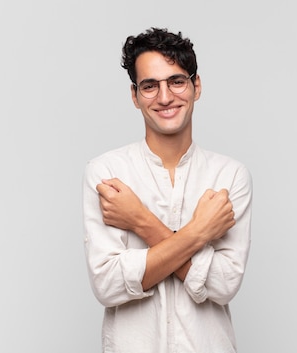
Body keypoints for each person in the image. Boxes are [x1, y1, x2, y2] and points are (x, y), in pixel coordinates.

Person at [82, 27, 253, 353]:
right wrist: (200, 232)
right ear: (134, 96)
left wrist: (140, 221)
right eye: (150, 86)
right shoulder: (106, 174)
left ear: (196, 86)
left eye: (176, 81)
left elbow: (223, 285)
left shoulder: (230, 177)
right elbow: (108, 285)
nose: (164, 97)